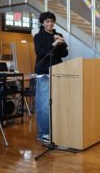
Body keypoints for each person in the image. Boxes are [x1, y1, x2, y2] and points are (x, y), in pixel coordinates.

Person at [34, 12, 68, 143]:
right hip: (44, 73)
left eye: (52, 21)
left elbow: (64, 54)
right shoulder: (38, 36)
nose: (50, 24)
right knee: (44, 106)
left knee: (57, 104)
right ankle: (43, 133)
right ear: (43, 23)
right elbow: (40, 52)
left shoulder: (58, 35)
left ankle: (55, 130)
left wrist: (60, 43)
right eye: (47, 21)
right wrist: (53, 44)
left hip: (57, 72)